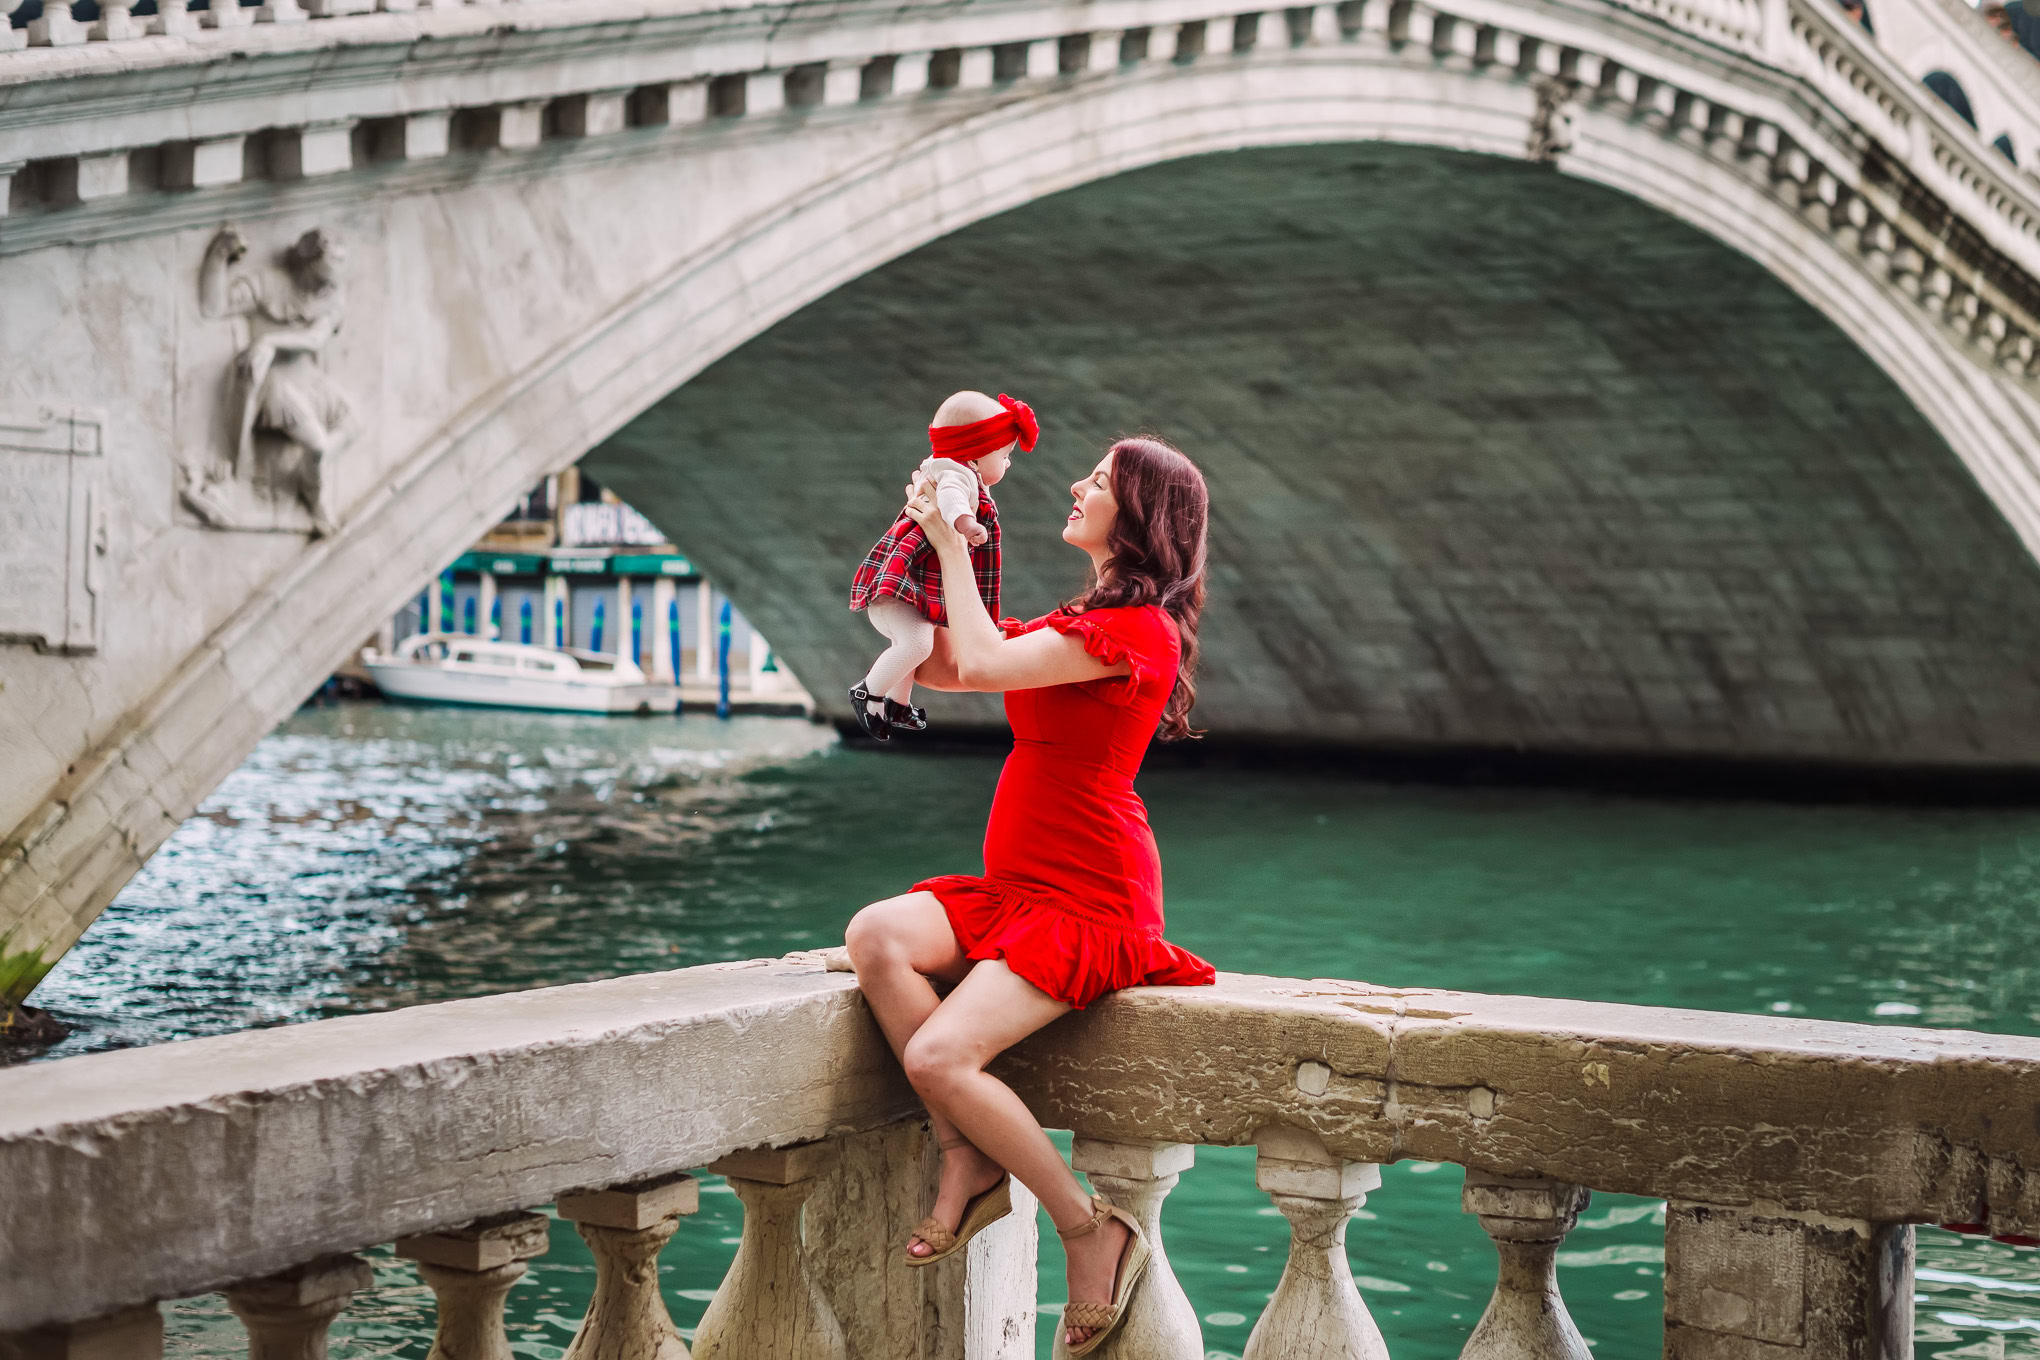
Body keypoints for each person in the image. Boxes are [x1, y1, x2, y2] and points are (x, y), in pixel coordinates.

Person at [843, 436, 1218, 1356]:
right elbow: (943, 662)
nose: (1079, 486)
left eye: (1100, 479)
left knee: (938, 1055)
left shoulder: (1137, 633)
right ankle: (967, 1157)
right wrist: (915, 554)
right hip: (1019, 887)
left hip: (1090, 894)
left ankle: (1089, 1229)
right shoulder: (1089, 616)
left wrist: (954, 548)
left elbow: (978, 659)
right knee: (877, 936)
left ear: (1140, 514)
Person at [847, 390, 1037, 741]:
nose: (1008, 463)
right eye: (1006, 455)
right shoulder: (957, 475)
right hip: (899, 591)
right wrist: (965, 524)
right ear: (976, 457)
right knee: (918, 645)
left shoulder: (959, 474)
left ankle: (896, 704)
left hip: (909, 590)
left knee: (915, 643)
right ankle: (867, 692)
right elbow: (950, 499)